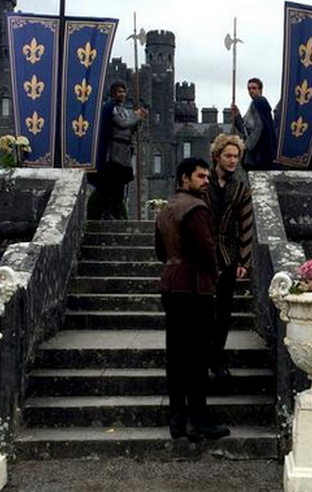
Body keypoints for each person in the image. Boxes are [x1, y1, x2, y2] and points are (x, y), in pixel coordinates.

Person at [155, 157, 231, 441]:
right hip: (195, 288)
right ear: (184, 178)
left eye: (207, 177)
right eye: (200, 176)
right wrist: (214, 273)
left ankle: (177, 419)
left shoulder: (166, 208)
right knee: (198, 356)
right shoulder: (196, 208)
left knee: (176, 355)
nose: (206, 181)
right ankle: (197, 420)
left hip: (171, 284)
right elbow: (206, 248)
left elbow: (160, 251)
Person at [203, 134, 253, 381]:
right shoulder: (203, 183)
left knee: (223, 311)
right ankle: (200, 359)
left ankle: (217, 360)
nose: (233, 160)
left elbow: (246, 225)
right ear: (217, 156)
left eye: (236, 156)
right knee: (202, 310)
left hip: (228, 254)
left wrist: (244, 260)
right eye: (228, 156)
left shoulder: (241, 188)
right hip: (202, 254)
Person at [88, 81, 148, 220]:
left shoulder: (125, 111)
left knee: (120, 184)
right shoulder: (110, 108)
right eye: (119, 91)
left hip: (124, 152)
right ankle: (106, 211)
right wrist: (136, 116)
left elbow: (131, 128)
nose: (122, 94)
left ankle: (117, 211)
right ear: (113, 93)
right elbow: (123, 124)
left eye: (123, 92)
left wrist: (140, 119)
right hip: (113, 152)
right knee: (111, 184)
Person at [231, 77, 277, 171]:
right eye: (249, 88)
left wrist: (247, 146)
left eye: (254, 88)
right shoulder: (254, 104)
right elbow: (245, 128)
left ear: (260, 89)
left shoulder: (259, 102)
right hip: (257, 150)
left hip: (259, 150)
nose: (251, 91)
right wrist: (237, 115)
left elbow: (260, 127)